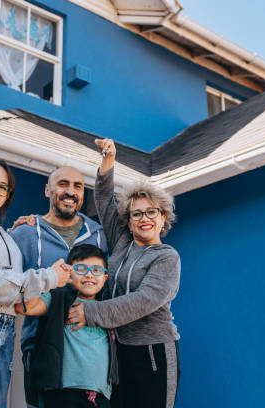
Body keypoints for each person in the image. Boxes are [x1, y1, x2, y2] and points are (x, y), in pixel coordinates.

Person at [0, 165, 108, 407]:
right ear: (48, 190)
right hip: (38, 346)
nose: (70, 191)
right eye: (62, 184)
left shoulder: (100, 236)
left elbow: (112, 286)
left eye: (78, 186)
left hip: (89, 356)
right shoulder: (24, 233)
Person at [67, 139, 181, 408]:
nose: (144, 219)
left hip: (154, 352)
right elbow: (105, 199)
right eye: (137, 214)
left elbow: (143, 300)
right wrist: (108, 161)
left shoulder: (166, 257)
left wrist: (90, 313)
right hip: (120, 351)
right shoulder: (122, 242)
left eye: (151, 212)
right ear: (128, 222)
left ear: (163, 217)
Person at [14, 244, 117, 408]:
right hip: (62, 392)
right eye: (81, 269)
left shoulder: (108, 307)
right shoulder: (58, 297)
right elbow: (24, 307)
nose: (89, 275)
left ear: (105, 277)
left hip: (100, 395)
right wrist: (51, 278)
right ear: (69, 274)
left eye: (96, 270)